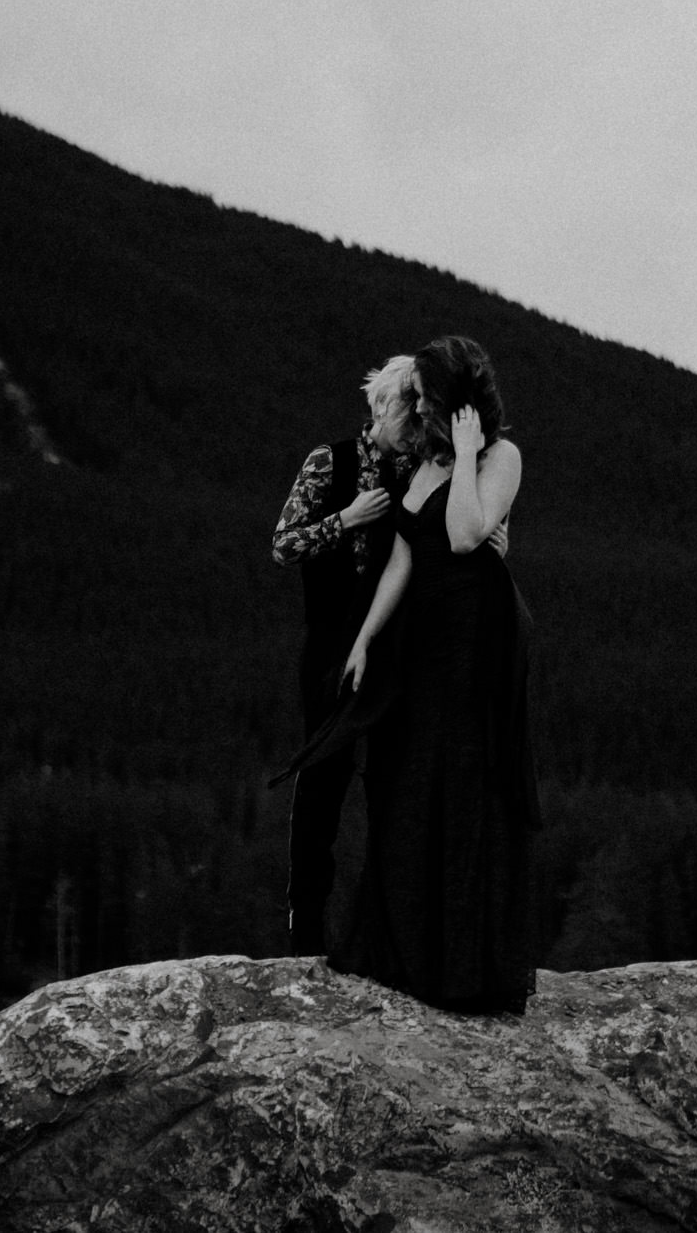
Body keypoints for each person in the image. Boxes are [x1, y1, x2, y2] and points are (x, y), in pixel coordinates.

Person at [328, 334, 541, 1013]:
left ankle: (467, 968)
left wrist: (472, 454)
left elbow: (464, 535)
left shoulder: (501, 455)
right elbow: (403, 559)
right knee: (408, 776)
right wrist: (364, 638)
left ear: (452, 395)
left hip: (477, 641)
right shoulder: (418, 464)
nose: (415, 403)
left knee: (464, 783)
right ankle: (405, 951)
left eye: (424, 392)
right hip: (422, 640)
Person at [269, 356, 420, 955]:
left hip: (397, 640)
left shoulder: (424, 469)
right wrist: (345, 519)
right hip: (330, 641)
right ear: (382, 406)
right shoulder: (327, 460)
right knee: (323, 783)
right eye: (410, 409)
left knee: (394, 782)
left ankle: (386, 929)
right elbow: (283, 545)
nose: (417, 423)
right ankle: (305, 929)